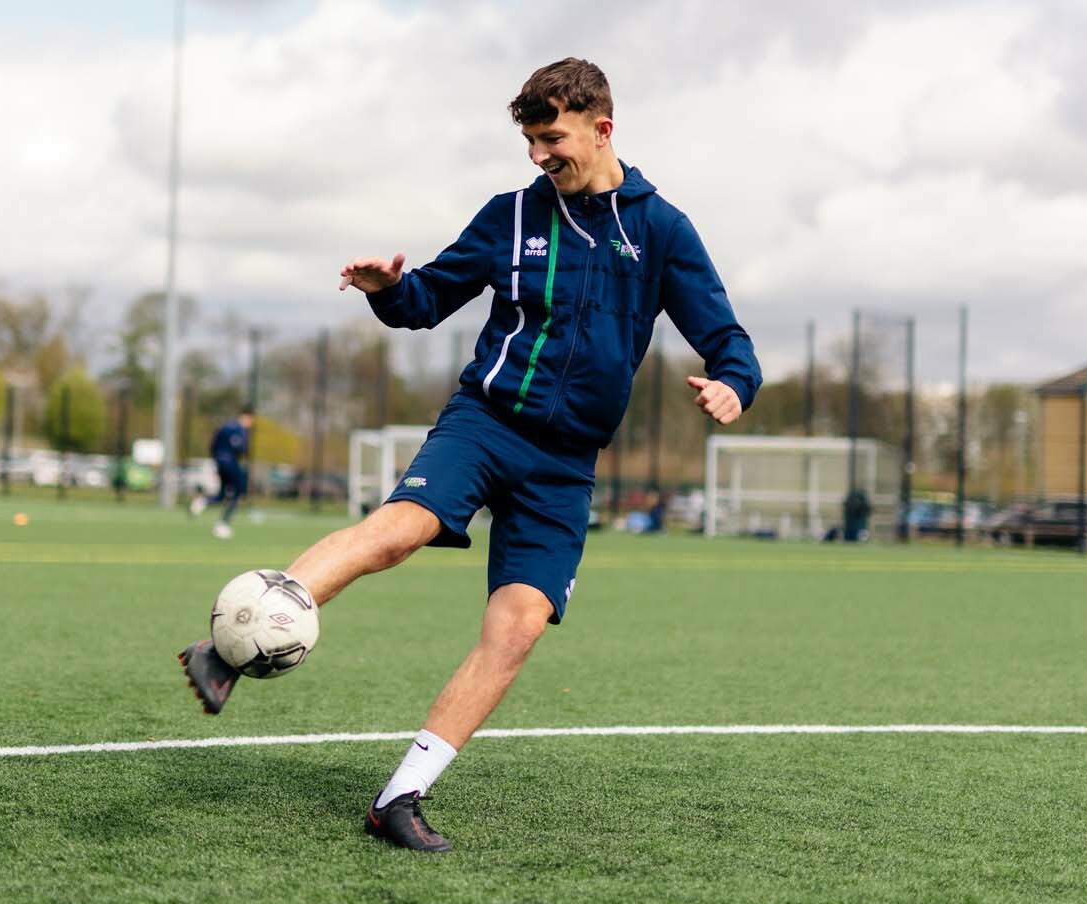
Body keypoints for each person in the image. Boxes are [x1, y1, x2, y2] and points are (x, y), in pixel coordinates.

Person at [177, 58, 762, 852]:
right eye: (529, 141)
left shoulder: (660, 230)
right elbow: (423, 303)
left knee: (518, 626)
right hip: (485, 422)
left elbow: (727, 338)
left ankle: (400, 798)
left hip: (566, 464)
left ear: (602, 128)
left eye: (551, 138)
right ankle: (225, 649)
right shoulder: (510, 216)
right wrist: (389, 287)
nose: (538, 157)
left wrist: (733, 383)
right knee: (398, 530)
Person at [190, 407, 254, 539]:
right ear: (246, 417)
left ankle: (202, 502)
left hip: (219, 462)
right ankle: (222, 525)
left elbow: (212, 445)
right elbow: (240, 447)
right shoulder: (238, 430)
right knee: (237, 494)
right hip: (230, 463)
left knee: (221, 495)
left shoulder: (224, 427)